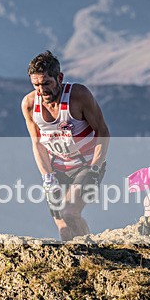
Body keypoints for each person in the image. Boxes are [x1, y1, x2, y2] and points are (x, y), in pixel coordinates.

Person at [21, 51, 110, 241]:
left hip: (86, 165)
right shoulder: (29, 104)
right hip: (57, 168)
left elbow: (103, 132)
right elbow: (37, 143)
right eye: (36, 85)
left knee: (70, 213)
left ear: (59, 78)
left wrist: (95, 168)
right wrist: (47, 177)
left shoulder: (78, 95)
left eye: (47, 83)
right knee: (64, 230)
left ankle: (91, 254)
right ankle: (84, 253)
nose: (42, 91)